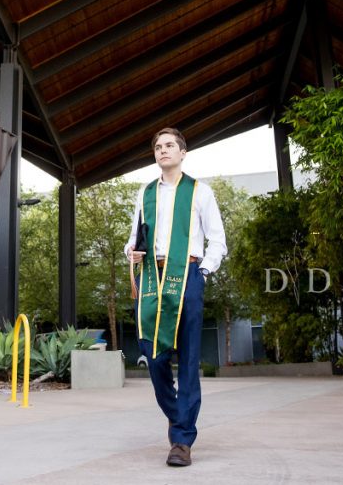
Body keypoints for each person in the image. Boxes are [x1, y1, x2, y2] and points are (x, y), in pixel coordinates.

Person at [124, 127, 227, 467]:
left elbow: (217, 240)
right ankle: (178, 414)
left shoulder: (200, 192)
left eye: (169, 145)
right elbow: (135, 237)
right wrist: (132, 252)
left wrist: (204, 271)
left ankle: (181, 440)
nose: (163, 150)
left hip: (188, 276)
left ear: (183, 152)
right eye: (157, 146)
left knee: (188, 357)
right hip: (152, 278)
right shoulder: (145, 193)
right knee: (152, 354)